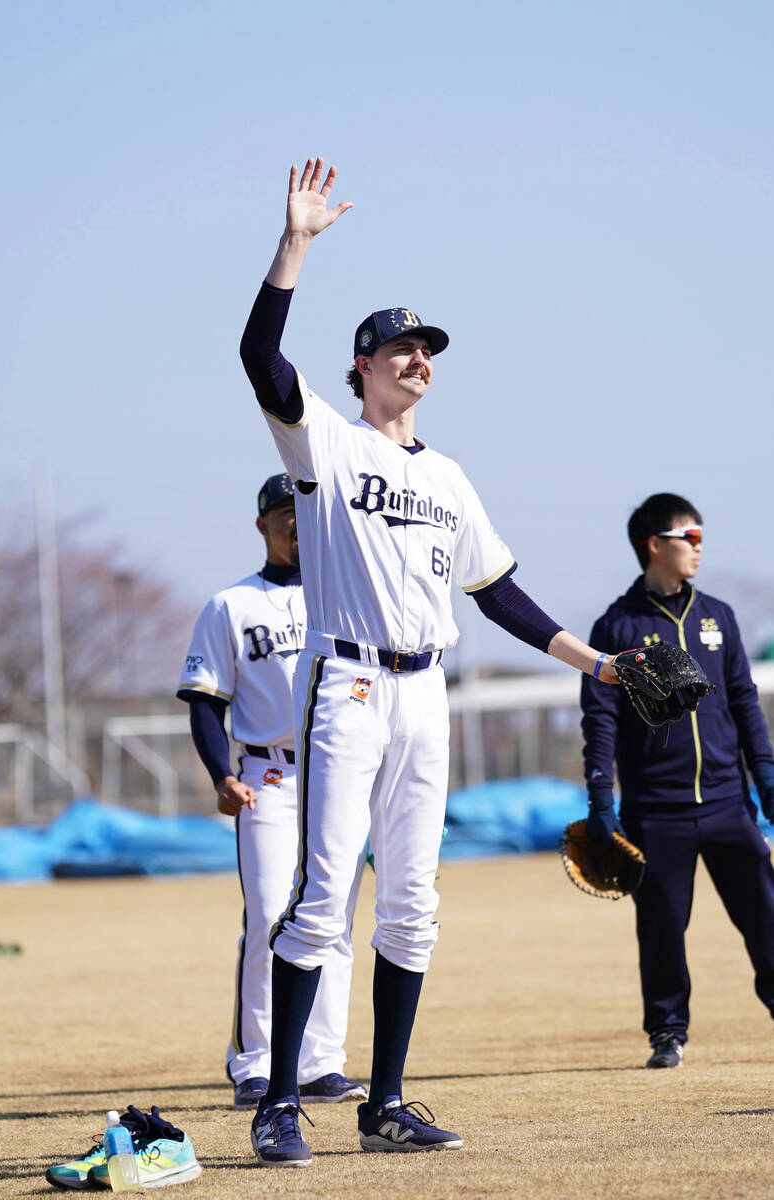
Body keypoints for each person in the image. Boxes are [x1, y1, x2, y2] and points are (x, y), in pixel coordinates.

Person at [239, 156, 623, 1167]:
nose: (418, 360)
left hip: (426, 695)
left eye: (426, 351)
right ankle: (279, 1098)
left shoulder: (447, 476)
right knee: (324, 894)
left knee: (413, 902)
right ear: (361, 367)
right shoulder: (325, 444)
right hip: (350, 683)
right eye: (401, 349)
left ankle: (386, 1103)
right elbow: (259, 360)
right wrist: (297, 245)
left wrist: (593, 661)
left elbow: (493, 588)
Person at [176, 473, 366, 1110]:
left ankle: (321, 1062)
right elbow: (205, 702)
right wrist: (218, 773)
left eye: (305, 509)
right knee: (267, 914)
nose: (296, 520)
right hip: (269, 779)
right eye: (286, 511)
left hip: (338, 775)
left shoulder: (348, 599)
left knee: (334, 917)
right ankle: (254, 1062)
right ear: (263, 524)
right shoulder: (231, 605)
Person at [581, 492, 774, 1068]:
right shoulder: (617, 625)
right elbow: (601, 718)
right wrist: (601, 798)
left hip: (725, 801)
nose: (698, 546)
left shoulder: (719, 615)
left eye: (700, 535)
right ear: (654, 545)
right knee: (662, 926)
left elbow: (743, 699)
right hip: (656, 810)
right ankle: (668, 1032)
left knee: (765, 915)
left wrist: (764, 774)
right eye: (688, 536)